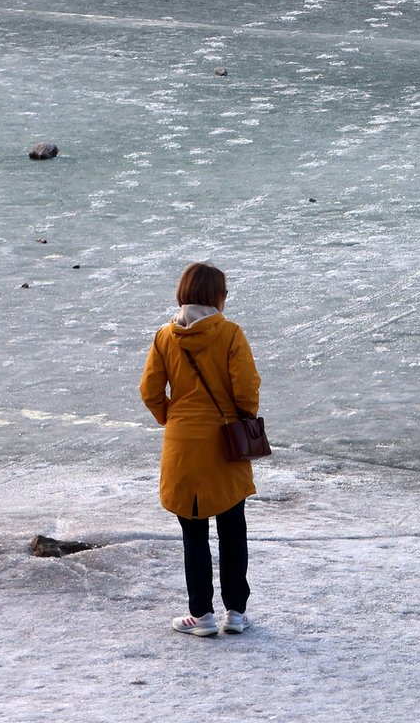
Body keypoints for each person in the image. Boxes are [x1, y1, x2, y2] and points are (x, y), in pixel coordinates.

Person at [140, 262, 261, 637]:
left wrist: (171, 417)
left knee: (193, 532)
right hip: (225, 442)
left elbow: (150, 390)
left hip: (182, 445)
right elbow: (246, 390)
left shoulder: (164, 337)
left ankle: (202, 615)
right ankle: (236, 613)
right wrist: (241, 417)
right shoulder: (230, 334)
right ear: (217, 296)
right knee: (232, 527)